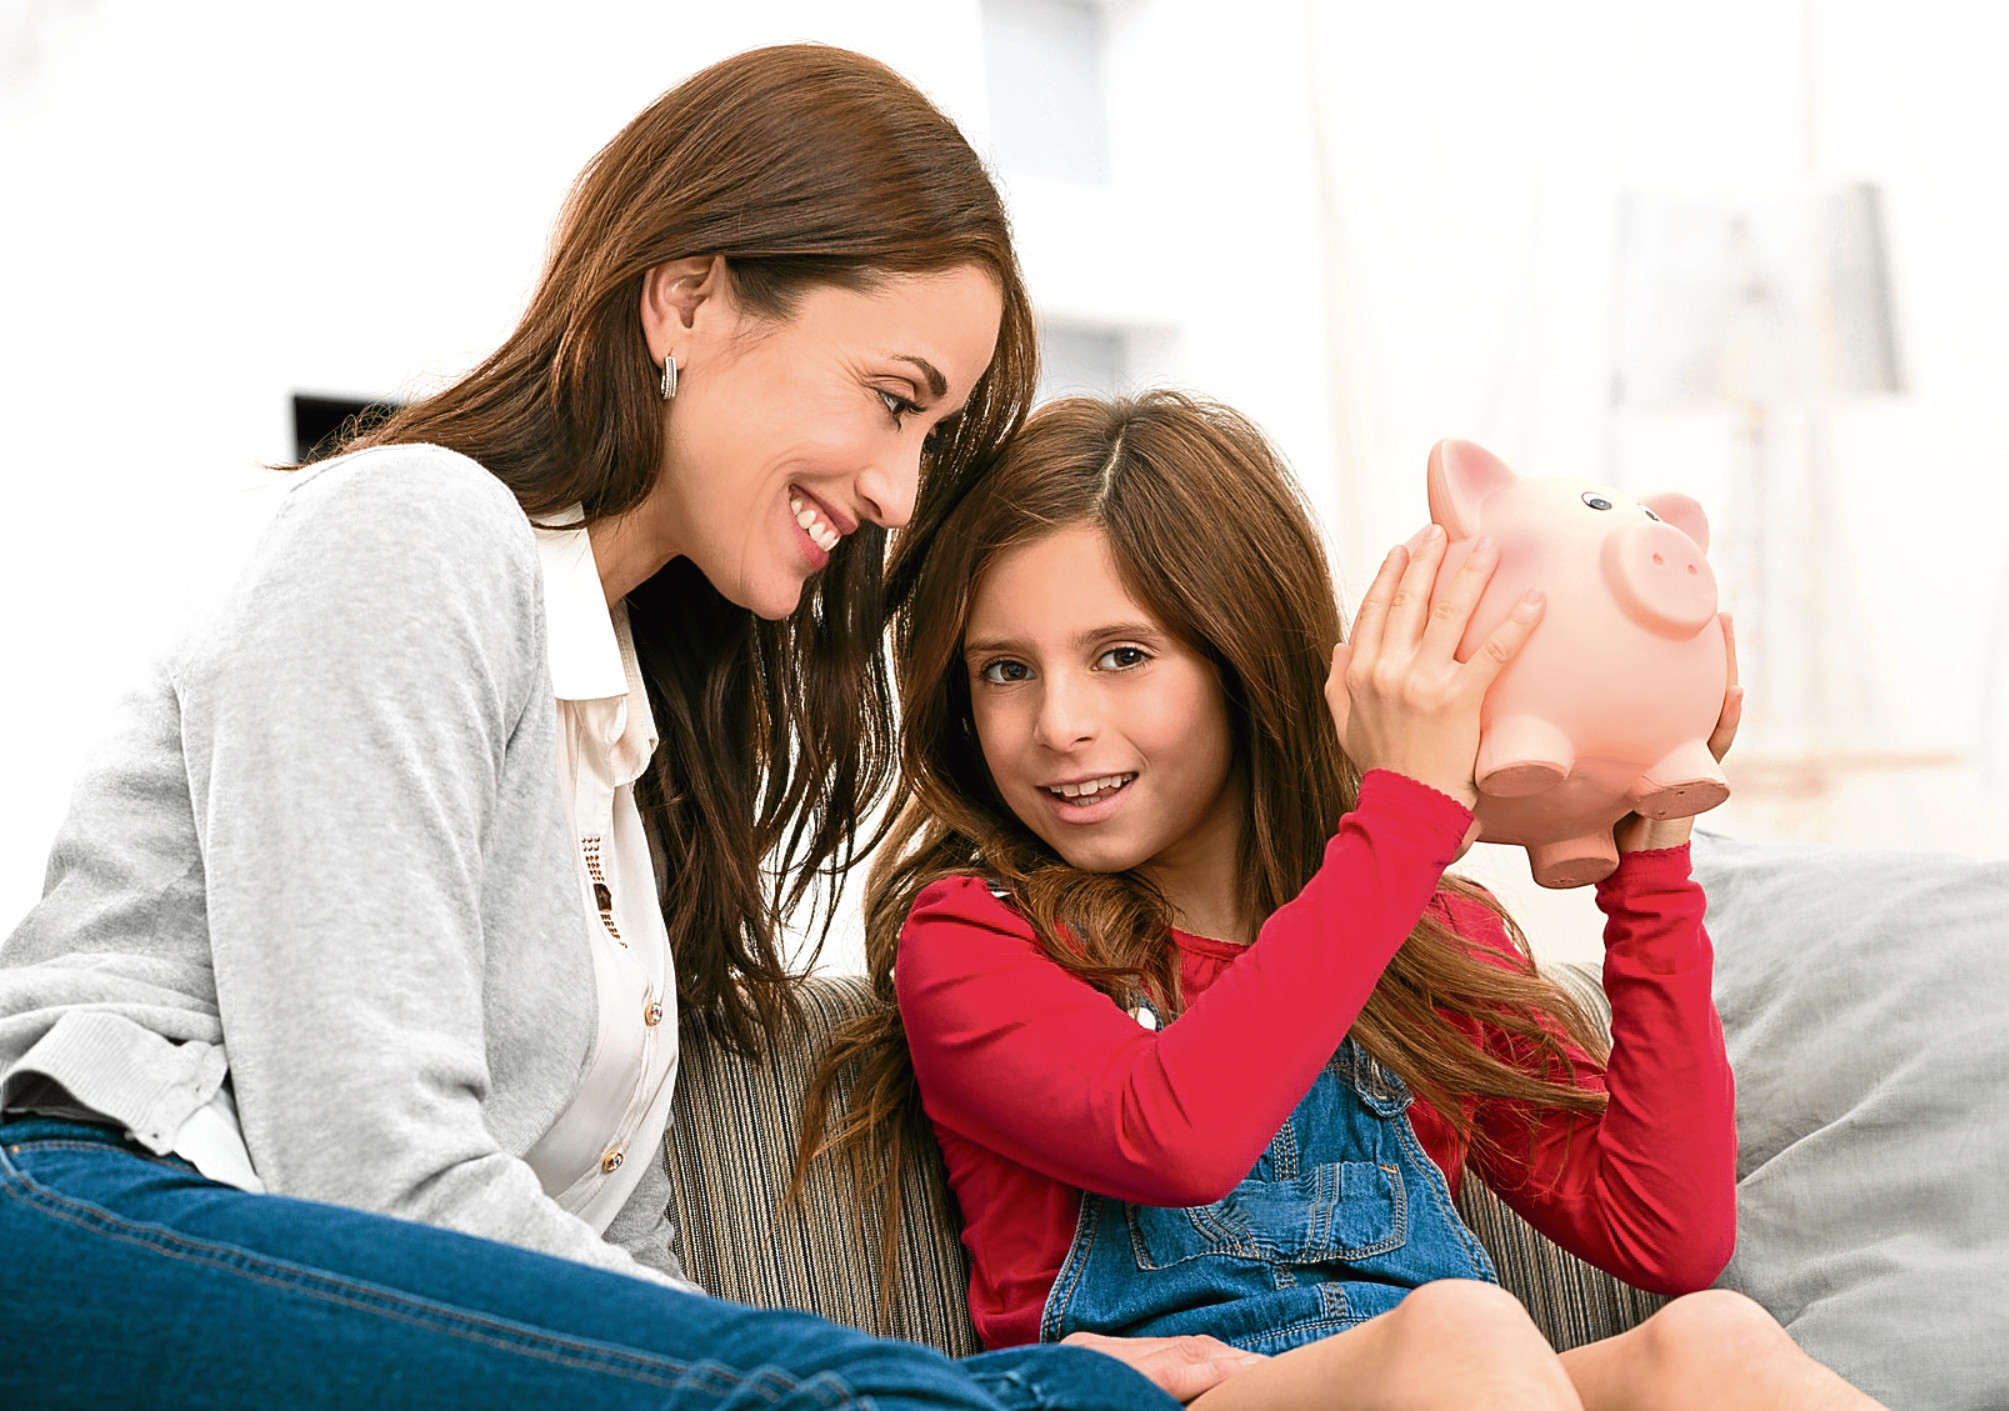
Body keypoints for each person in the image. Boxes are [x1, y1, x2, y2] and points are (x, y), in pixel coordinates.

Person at [0, 46, 1195, 1411]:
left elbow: (613, 1257)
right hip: (103, 1211)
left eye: (930, 433)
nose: (896, 490)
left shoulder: (624, 737)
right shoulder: (411, 530)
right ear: (687, 297)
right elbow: (367, 1169)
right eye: (892, 398)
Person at [800, 392, 1889, 1408]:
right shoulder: (974, 936)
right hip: (1180, 1393)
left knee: (1715, 1345)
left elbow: (1666, 1232)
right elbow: (1175, 1136)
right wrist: (1404, 815)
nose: (1059, 724)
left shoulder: (1422, 934)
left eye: (1122, 655)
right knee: (1462, 1330)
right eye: (1004, 670)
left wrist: (1653, 851)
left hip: (1448, 1378)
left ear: (1243, 656)